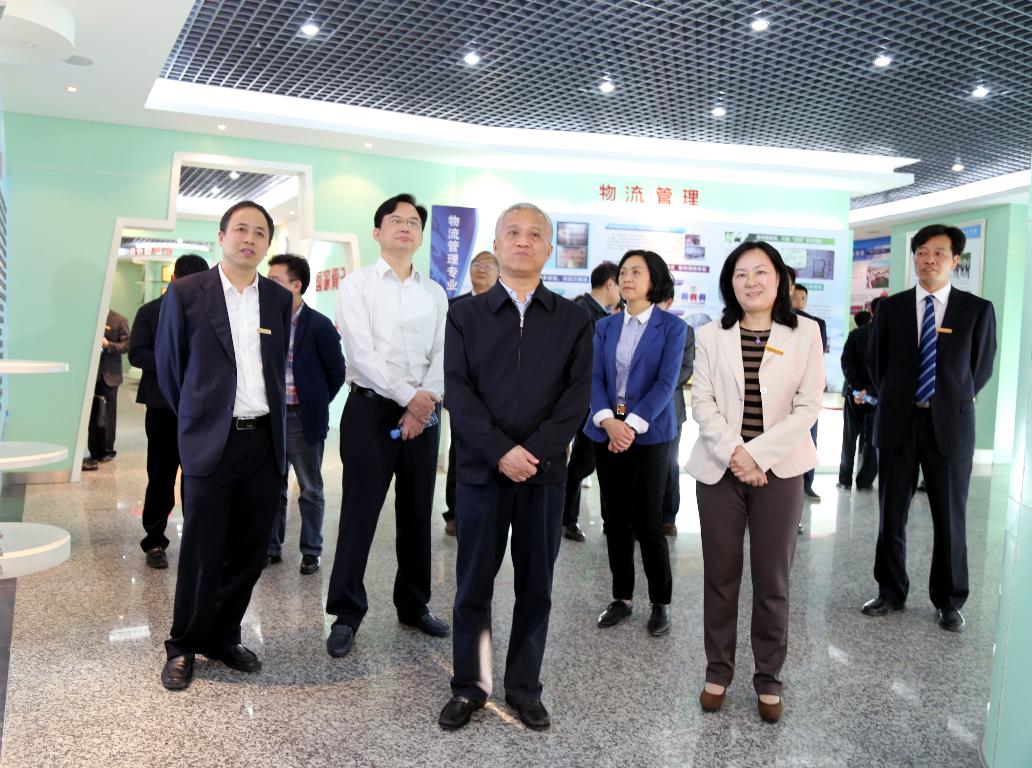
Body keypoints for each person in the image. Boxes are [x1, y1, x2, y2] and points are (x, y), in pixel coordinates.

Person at [437, 202, 592, 732]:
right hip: (481, 472)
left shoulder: (573, 319)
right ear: (497, 245)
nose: (522, 241)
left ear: (548, 249)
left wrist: (535, 453)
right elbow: (458, 390)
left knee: (536, 586)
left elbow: (575, 399)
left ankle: (524, 687)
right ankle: (470, 686)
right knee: (473, 585)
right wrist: (500, 450)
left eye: (534, 234)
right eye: (512, 232)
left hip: (543, 476)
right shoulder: (465, 315)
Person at [155, 200, 292, 691]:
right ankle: (183, 644)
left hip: (264, 441)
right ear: (222, 235)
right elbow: (170, 370)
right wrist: (201, 416)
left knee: (250, 550)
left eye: (259, 232)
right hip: (212, 440)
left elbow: (273, 367)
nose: (249, 238)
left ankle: (222, 636)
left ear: (268, 243)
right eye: (241, 229)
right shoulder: (188, 292)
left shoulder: (277, 298)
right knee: (202, 550)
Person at [685, 241, 824, 724]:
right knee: (720, 576)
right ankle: (718, 671)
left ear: (779, 279)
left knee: (773, 579)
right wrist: (736, 454)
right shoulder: (710, 334)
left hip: (780, 471)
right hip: (720, 471)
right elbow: (702, 402)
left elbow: (808, 406)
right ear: (730, 283)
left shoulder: (805, 332)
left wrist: (758, 455)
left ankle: (768, 677)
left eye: (761, 272)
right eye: (741, 274)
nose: (751, 282)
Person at [326, 193, 449, 659]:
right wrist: (408, 399)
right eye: (396, 220)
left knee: (417, 512)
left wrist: (424, 402)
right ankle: (346, 613)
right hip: (370, 410)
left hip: (425, 412)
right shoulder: (356, 285)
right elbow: (361, 354)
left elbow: (443, 354)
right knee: (359, 513)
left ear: (420, 235)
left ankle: (414, 605)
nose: (405, 227)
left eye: (414, 222)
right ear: (377, 232)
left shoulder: (434, 293)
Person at [861, 224, 997, 633]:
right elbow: (877, 364)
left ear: (955, 260)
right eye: (922, 251)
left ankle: (950, 600)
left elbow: (979, 369)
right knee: (891, 513)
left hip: (950, 427)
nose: (929, 259)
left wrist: (947, 398)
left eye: (939, 252)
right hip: (898, 423)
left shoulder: (976, 310)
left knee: (950, 517)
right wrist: (900, 396)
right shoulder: (892, 308)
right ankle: (890, 590)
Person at [585, 250, 687, 637]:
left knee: (648, 521)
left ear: (654, 280)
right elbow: (594, 377)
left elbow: (666, 383)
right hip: (606, 431)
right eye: (623, 272)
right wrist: (608, 421)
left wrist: (629, 427)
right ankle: (622, 597)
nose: (626, 278)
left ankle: (660, 602)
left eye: (636, 272)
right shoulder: (605, 326)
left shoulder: (672, 328)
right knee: (615, 520)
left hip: (650, 435)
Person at [264, 254, 347, 575]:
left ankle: (311, 550)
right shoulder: (266, 322)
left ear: (296, 285)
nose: (268, 286)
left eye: (275, 281)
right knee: (273, 486)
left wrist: (315, 402)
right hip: (271, 417)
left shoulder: (319, 325)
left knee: (310, 488)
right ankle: (271, 548)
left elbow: (336, 372)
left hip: (302, 418)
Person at [129, 253, 209, 569]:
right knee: (161, 475)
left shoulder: (210, 312)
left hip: (200, 407)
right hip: (162, 407)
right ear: (173, 280)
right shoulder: (150, 312)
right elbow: (137, 354)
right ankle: (154, 540)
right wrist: (173, 363)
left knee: (197, 475)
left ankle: (196, 538)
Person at [562, 260, 620, 542]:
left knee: (585, 462)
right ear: (610, 283)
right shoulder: (585, 314)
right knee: (583, 462)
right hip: (584, 401)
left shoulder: (596, 313)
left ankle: (570, 518)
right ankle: (566, 519)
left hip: (591, 400)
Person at [443, 250, 499, 536]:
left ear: (499, 273)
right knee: (459, 453)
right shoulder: (454, 306)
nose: (481, 269)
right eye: (476, 263)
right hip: (463, 394)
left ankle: (490, 512)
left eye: (488, 265)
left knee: (494, 451)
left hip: (497, 396)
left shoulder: (506, 307)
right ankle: (454, 512)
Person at [787, 266, 827, 507]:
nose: (799, 301)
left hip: (804, 395)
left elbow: (817, 362)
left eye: (803, 297)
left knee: (807, 441)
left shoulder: (814, 324)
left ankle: (806, 485)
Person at [658, 289, 695, 536]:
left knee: (670, 464)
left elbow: (686, 368)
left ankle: (668, 516)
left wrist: (658, 388)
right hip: (634, 409)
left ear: (669, 302)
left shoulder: (684, 330)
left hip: (670, 408)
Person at [837, 298, 882, 491]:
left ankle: (845, 480)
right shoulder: (892, 337)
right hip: (877, 396)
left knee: (849, 438)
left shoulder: (856, 334)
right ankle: (864, 482)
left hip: (853, 395)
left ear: (871, 311)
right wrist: (868, 390)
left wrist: (857, 389)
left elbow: (846, 362)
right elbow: (888, 370)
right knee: (873, 440)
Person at [83, 308, 130, 470]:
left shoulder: (119, 320)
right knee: (92, 414)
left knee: (108, 414)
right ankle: (94, 450)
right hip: (91, 375)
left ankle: (107, 450)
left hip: (110, 375)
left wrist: (108, 345)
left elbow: (127, 345)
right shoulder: (90, 317)